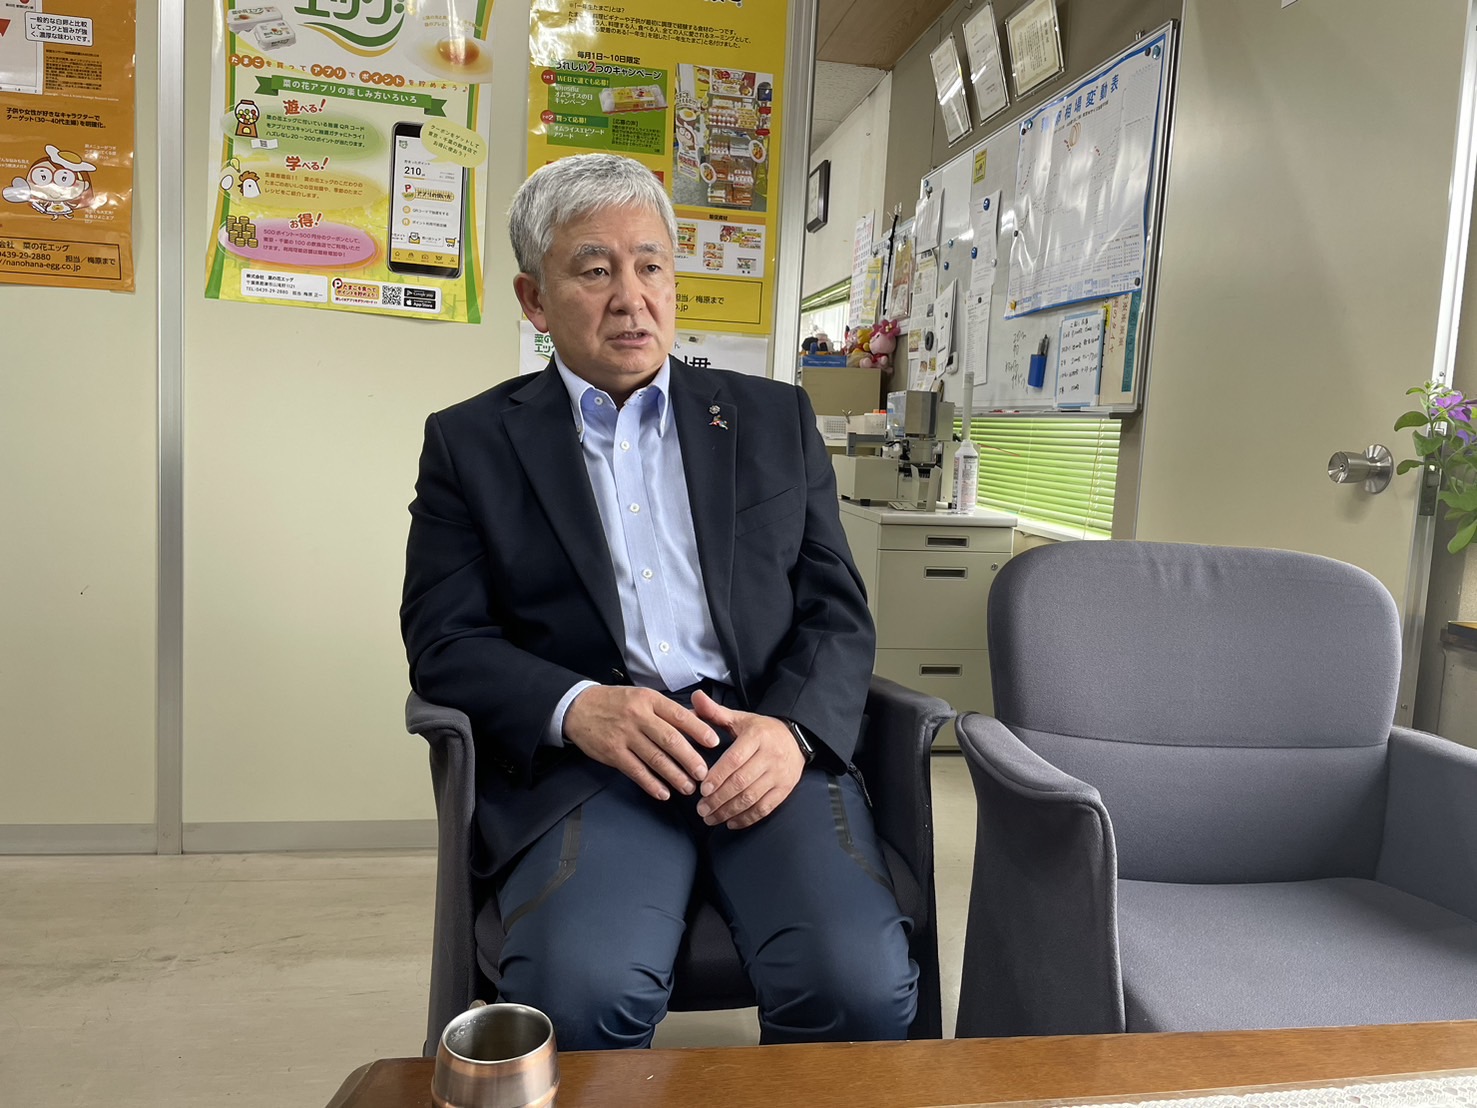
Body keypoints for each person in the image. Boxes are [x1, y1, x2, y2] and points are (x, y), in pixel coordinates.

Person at [400, 153, 917, 1050]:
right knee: (576, 995)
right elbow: (444, 638)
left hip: (758, 737)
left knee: (857, 987)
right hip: (593, 762)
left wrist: (791, 731)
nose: (630, 298)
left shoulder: (771, 420)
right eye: (594, 269)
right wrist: (578, 707)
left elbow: (835, 609)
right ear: (533, 300)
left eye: (650, 265)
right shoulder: (470, 443)